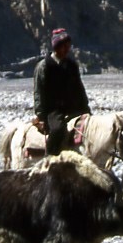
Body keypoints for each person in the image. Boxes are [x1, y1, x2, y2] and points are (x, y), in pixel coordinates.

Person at [33, 28, 91, 156]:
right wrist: (41, 115)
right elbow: (38, 93)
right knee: (58, 129)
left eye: (68, 46)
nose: (66, 49)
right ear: (56, 47)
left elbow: (79, 89)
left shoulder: (71, 65)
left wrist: (86, 108)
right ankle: (50, 157)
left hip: (73, 108)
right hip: (53, 111)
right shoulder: (43, 67)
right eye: (64, 46)